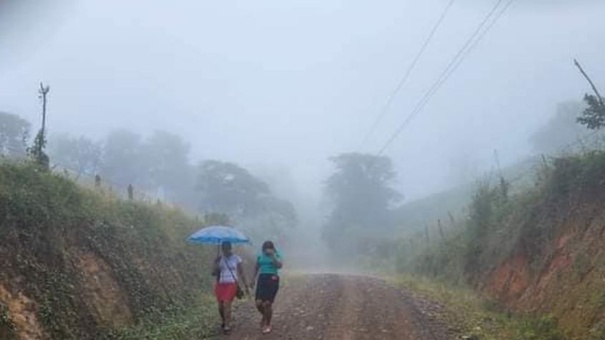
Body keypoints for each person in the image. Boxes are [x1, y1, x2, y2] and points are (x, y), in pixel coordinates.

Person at [212, 241, 249, 334]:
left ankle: (227, 326)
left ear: (230, 248)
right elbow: (213, 273)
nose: (225, 250)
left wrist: (246, 285)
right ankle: (224, 321)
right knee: (220, 307)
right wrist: (216, 263)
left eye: (226, 248)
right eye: (223, 248)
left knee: (226, 304)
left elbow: (242, 272)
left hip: (232, 284)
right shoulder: (219, 259)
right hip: (221, 284)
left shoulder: (236, 258)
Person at [252, 240, 283, 334]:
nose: (267, 250)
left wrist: (272, 256)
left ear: (273, 248)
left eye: (269, 248)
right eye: (266, 248)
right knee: (258, 303)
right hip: (262, 279)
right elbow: (256, 267)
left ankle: (268, 324)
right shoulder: (260, 256)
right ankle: (265, 316)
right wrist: (252, 278)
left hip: (272, 278)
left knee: (267, 303)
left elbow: (279, 266)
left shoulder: (277, 255)